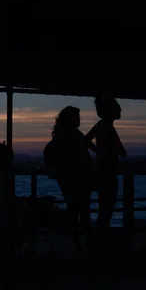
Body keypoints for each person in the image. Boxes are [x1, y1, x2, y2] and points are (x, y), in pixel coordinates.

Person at [44, 106, 94, 253]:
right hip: (73, 178)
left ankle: (82, 244)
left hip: (79, 178)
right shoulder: (64, 137)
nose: (78, 120)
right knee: (80, 212)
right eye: (76, 117)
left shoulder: (72, 135)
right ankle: (83, 244)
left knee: (80, 212)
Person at [85, 96, 126, 233]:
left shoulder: (100, 125)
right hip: (107, 171)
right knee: (107, 208)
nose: (120, 109)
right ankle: (101, 238)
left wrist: (98, 151)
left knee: (105, 208)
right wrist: (100, 152)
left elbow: (86, 140)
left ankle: (100, 236)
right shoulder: (106, 127)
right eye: (117, 106)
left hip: (103, 169)